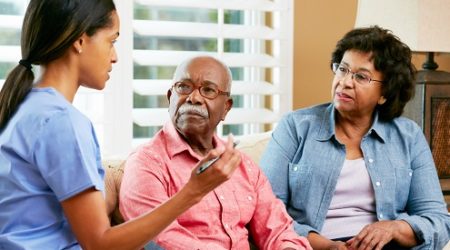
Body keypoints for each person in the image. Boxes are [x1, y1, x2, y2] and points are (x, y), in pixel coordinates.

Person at [0, 1, 241, 249]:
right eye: (111, 41)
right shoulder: (62, 122)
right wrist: (193, 191)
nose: (114, 57)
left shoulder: (23, 106)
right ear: (80, 41)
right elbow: (99, 243)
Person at [260, 26, 450, 250]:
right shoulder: (295, 127)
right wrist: (327, 246)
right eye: (342, 69)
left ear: (385, 94)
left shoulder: (409, 136)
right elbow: (266, 212)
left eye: (361, 76)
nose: (345, 82)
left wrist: (393, 228)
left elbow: (437, 220)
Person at [119, 55, 312, 250]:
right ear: (170, 98)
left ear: (226, 108)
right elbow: (160, 239)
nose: (193, 98)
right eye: (184, 87)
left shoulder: (243, 165)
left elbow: (279, 230)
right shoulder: (146, 163)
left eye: (208, 90)